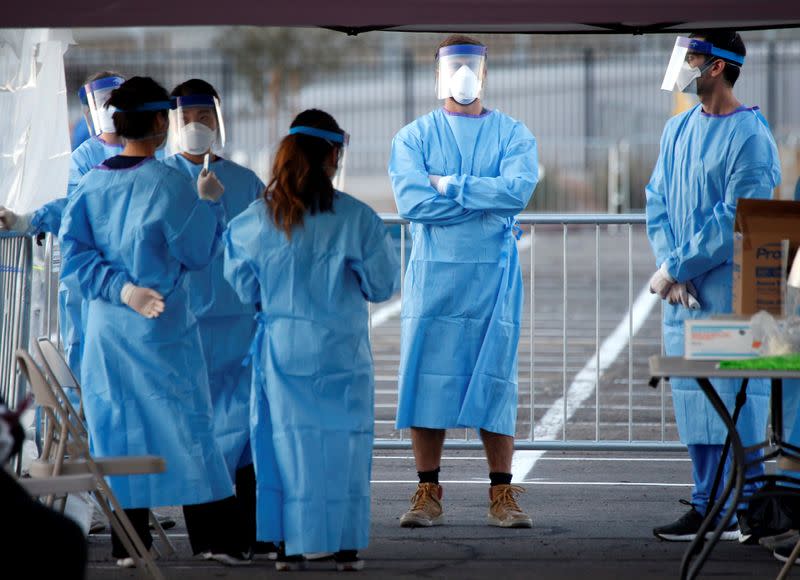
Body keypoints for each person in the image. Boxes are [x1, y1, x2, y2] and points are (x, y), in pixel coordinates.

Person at [59, 76, 250, 567]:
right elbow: (197, 252)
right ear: (162, 122)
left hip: (108, 330)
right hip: (160, 331)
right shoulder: (169, 183)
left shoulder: (93, 183)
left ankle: (130, 544)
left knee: (119, 429)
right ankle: (214, 540)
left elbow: (74, 258)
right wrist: (208, 201)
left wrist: (119, 289)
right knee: (187, 427)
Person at [224, 109, 399, 571]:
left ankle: (287, 546)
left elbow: (242, 286)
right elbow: (381, 286)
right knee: (345, 447)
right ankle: (344, 546)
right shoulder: (357, 218)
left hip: (282, 352)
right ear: (334, 155)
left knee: (284, 449)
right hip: (341, 354)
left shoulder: (256, 219)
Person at [388, 35, 538, 529]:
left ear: (486, 72)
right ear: (438, 75)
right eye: (455, 65)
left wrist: (448, 184)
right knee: (429, 379)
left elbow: (516, 191)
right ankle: (427, 489)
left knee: (495, 380)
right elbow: (413, 203)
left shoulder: (513, 134)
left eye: (472, 64)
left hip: (493, 282)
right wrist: (482, 199)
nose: (464, 74)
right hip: (435, 282)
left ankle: (502, 493)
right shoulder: (413, 136)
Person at [648, 30, 781, 543]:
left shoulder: (750, 136)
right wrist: (670, 268)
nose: (682, 66)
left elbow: (737, 218)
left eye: (692, 57)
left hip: (729, 293)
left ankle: (746, 505)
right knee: (694, 400)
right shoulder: (677, 128)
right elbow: (657, 198)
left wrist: (679, 266)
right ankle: (706, 502)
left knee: (733, 400)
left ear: (717, 68)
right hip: (684, 297)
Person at [162, 78, 267, 555]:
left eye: (205, 118)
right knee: (197, 431)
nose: (196, 127)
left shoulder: (245, 182)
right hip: (182, 326)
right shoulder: (157, 180)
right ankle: (207, 538)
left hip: (239, 324)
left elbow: (270, 247)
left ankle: (247, 534)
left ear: (218, 121)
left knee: (246, 431)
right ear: (170, 123)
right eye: (187, 119)